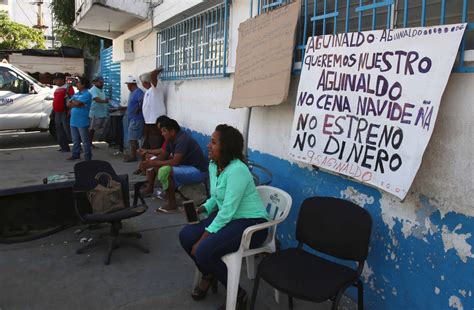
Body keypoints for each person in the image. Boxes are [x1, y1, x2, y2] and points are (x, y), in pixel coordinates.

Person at [178, 124, 269, 310]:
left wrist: (204, 237)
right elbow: (217, 198)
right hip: (229, 217)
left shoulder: (238, 170)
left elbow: (227, 209)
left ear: (226, 147)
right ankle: (208, 273)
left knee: (202, 249)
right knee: (186, 236)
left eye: (213, 142)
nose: (208, 146)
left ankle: (238, 295)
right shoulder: (214, 165)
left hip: (251, 223)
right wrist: (202, 208)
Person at [139, 118, 208, 212]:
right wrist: (148, 163)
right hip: (185, 167)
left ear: (172, 131)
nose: (162, 134)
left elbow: (175, 161)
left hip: (198, 171)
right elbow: (163, 156)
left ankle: (172, 204)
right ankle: (151, 188)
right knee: (154, 163)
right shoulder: (170, 139)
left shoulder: (183, 139)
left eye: (164, 131)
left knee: (164, 170)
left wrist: (153, 162)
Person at [67, 76, 92, 161]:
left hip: (82, 121)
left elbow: (77, 103)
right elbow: (68, 104)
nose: (77, 84)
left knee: (85, 140)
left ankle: (88, 156)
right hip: (73, 120)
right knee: (75, 140)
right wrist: (76, 103)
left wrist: (75, 103)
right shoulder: (76, 94)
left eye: (78, 83)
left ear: (83, 85)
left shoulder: (87, 94)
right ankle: (75, 154)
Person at [140, 67, 166, 151]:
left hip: (155, 122)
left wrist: (156, 71)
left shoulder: (156, 89)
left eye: (142, 82)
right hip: (148, 122)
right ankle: (148, 162)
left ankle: (154, 162)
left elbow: (153, 75)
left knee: (155, 144)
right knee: (147, 143)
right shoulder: (148, 91)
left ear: (145, 82)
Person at [123, 75, 144, 162]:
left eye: (128, 84)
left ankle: (133, 156)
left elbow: (142, 101)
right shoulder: (132, 92)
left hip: (137, 119)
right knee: (132, 137)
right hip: (132, 118)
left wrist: (138, 108)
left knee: (133, 138)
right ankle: (133, 154)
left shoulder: (138, 92)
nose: (127, 86)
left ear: (131, 84)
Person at [52, 72, 74, 152]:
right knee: (59, 130)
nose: (55, 81)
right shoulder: (57, 88)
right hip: (57, 112)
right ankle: (64, 147)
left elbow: (71, 99)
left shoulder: (68, 88)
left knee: (67, 130)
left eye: (56, 80)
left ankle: (77, 146)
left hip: (65, 111)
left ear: (61, 80)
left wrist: (70, 110)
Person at [88, 76, 109, 147]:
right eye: (100, 83)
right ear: (95, 82)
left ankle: (90, 142)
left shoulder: (101, 89)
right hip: (95, 113)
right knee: (91, 129)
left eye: (103, 83)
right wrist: (105, 101)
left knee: (95, 129)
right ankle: (88, 143)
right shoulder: (93, 90)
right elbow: (96, 99)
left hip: (101, 112)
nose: (102, 84)